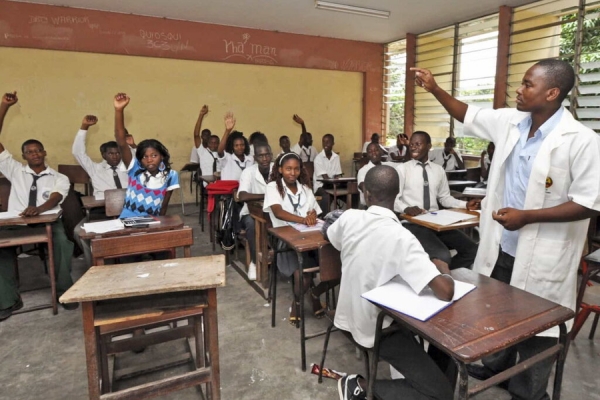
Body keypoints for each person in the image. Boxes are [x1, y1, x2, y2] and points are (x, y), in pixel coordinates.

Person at [412, 59, 600, 400]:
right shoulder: (511, 122)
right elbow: (467, 113)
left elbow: (588, 203)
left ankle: (528, 392)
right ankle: (495, 367)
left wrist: (528, 216)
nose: (519, 88)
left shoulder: (582, 141)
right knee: (497, 313)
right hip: (502, 245)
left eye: (528, 84)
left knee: (539, 328)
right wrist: (436, 89)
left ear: (552, 92)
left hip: (545, 254)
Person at [324, 165, 455, 400]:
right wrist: (443, 270)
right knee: (442, 393)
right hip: (379, 328)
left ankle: (431, 377)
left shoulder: (350, 218)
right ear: (398, 193)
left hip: (350, 314)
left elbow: (331, 235)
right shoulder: (402, 237)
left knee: (444, 348)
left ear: (366, 194)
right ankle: (360, 386)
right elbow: (445, 292)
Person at [0, 91, 77, 320]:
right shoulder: (15, 170)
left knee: (63, 243)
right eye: (29, 151)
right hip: (17, 224)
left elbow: (55, 198)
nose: (34, 154)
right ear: (23, 156)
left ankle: (64, 292)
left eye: (37, 150)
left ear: (44, 152)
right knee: (1, 249)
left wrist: (40, 209)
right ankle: (8, 299)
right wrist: (4, 106)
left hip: (48, 222)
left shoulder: (58, 177)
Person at [395, 131, 479, 270]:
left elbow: (445, 198)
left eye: (418, 144)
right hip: (412, 223)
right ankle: (439, 275)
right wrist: (406, 208)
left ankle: (439, 275)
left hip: (436, 221)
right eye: (411, 145)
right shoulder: (402, 170)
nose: (413, 147)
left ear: (429, 146)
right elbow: (394, 199)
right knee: (442, 255)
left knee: (472, 250)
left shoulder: (438, 170)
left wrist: (465, 204)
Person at [263, 152, 329, 322]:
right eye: (288, 169)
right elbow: (278, 212)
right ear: (280, 169)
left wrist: (312, 215)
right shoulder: (273, 187)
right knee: (303, 273)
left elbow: (314, 210)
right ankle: (298, 302)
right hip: (284, 239)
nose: (292, 173)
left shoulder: (305, 188)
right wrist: (303, 220)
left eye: (296, 169)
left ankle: (313, 294)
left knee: (332, 263)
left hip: (308, 237)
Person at [71, 114, 129, 267]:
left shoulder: (129, 167)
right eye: (111, 153)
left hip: (128, 211)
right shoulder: (95, 169)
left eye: (118, 153)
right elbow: (78, 153)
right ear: (103, 155)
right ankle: (95, 265)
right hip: (101, 212)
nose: (115, 156)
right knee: (79, 231)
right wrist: (84, 127)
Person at [113, 93, 180, 218]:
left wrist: (160, 226)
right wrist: (119, 110)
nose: (149, 159)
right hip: (127, 222)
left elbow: (164, 205)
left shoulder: (171, 176)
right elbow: (121, 142)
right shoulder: (134, 169)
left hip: (151, 224)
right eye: (145, 156)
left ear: (162, 156)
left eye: (154, 155)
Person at [237, 142, 273, 280]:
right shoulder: (248, 172)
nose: (264, 159)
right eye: (261, 156)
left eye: (267, 155)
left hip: (273, 212)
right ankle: (253, 261)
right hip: (251, 212)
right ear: (255, 157)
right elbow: (242, 196)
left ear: (271, 155)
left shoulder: (278, 169)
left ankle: (281, 258)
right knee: (252, 225)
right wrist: (267, 195)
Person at [217, 112, 254, 181]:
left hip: (244, 191)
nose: (239, 147)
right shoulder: (228, 158)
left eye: (242, 145)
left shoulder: (250, 159)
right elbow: (220, 151)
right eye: (236, 145)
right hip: (228, 190)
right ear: (232, 147)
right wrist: (227, 131)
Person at [356, 142, 395, 207]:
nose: (373, 153)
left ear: (381, 152)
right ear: (367, 155)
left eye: (376, 150)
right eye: (370, 151)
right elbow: (363, 187)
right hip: (368, 206)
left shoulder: (388, 166)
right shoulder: (363, 170)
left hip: (385, 204)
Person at [313, 133, 342, 212]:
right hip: (321, 186)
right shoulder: (318, 158)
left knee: (351, 193)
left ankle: (350, 215)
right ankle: (324, 217)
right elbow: (325, 179)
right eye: (323, 142)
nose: (325, 144)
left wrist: (338, 181)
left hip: (332, 185)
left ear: (333, 143)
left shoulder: (336, 157)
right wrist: (335, 182)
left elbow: (337, 175)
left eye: (328, 142)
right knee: (327, 196)